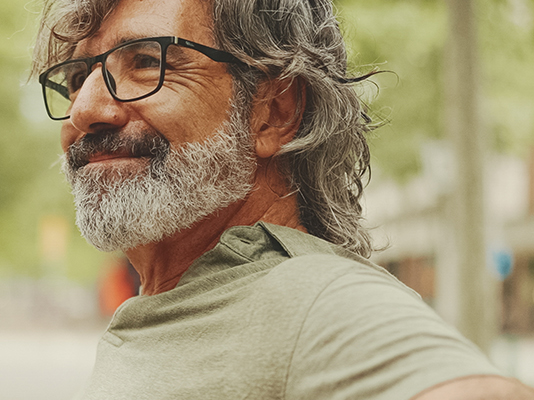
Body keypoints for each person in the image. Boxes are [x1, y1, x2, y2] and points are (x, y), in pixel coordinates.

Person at [30, 0, 534, 398]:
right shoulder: (179, 298)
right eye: (77, 79)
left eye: (146, 61)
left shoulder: (313, 297)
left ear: (273, 112)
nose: (85, 109)